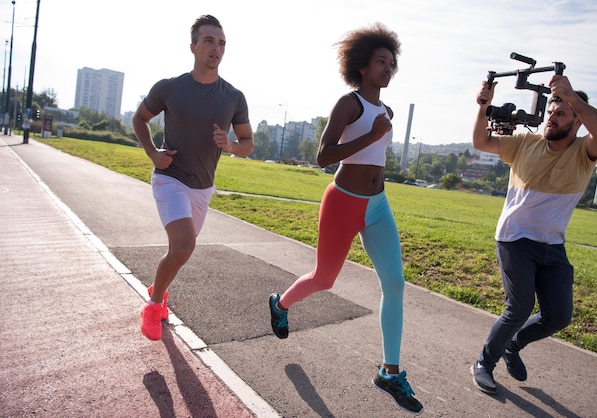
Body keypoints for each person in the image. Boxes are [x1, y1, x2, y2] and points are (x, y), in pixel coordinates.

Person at [268, 23, 423, 414]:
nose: (388, 69)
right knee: (325, 278)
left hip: (378, 205)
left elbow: (377, 159)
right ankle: (281, 304)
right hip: (342, 202)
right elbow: (323, 156)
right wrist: (371, 136)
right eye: (380, 62)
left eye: (392, 63)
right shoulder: (349, 104)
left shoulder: (386, 111)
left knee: (396, 284)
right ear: (362, 66)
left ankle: (390, 372)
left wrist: (378, 138)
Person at [470, 74, 597, 394]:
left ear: (577, 120)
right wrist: (483, 107)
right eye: (551, 110)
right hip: (515, 238)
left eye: (561, 112)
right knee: (519, 307)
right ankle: (484, 362)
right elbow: (481, 142)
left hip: (552, 244)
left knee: (559, 315)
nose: (552, 116)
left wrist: (571, 96)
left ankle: (512, 345)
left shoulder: (584, 151)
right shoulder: (524, 142)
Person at [132, 14, 253, 341]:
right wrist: (153, 153)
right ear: (193, 47)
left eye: (222, 43)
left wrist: (230, 145)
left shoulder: (233, 97)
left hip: (203, 187)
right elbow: (139, 119)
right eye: (209, 41)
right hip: (170, 178)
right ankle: (154, 306)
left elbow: (248, 144)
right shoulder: (170, 88)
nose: (217, 48)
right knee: (185, 245)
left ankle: (160, 288)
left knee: (180, 251)